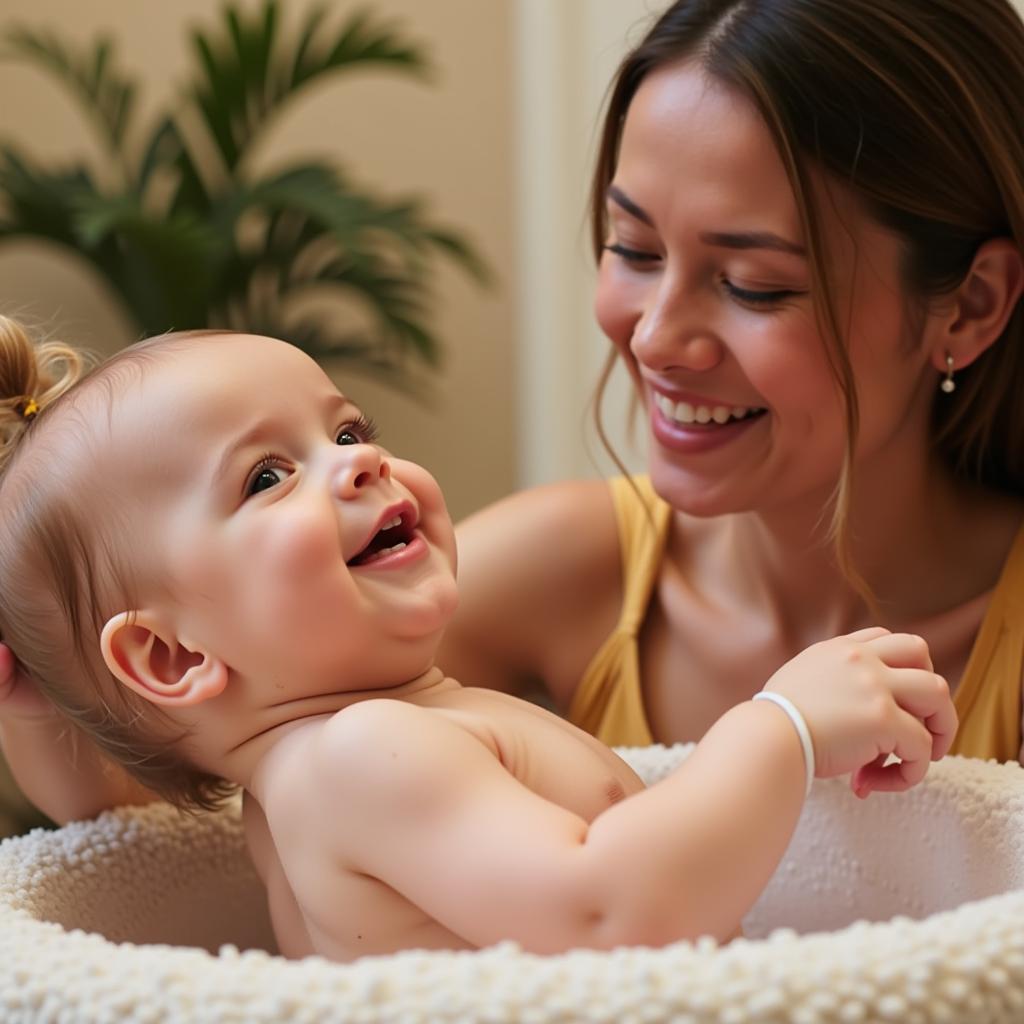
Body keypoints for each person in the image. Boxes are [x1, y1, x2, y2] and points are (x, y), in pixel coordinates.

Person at [0, 0, 1021, 816]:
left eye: (755, 283)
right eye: (633, 249)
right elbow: (186, 813)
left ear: (969, 306)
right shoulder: (566, 569)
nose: (656, 336)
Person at [0, 319, 954, 959]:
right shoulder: (361, 756)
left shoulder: (350, 752)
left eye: (345, 429)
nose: (360, 460)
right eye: (265, 476)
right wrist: (778, 727)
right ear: (172, 658)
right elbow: (610, 911)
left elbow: (124, 808)